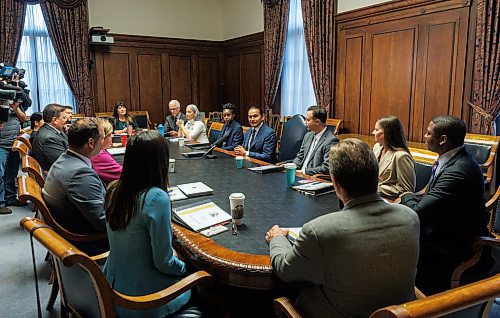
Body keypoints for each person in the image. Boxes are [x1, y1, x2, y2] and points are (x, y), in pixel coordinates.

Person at [266, 138, 420, 318]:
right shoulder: (410, 217)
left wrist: (277, 238)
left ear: (336, 183)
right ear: (376, 176)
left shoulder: (320, 231)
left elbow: (286, 270)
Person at [103, 131, 199, 318]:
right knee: (207, 282)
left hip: (112, 289)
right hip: (143, 302)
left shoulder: (114, 188)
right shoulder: (156, 198)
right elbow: (164, 263)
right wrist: (186, 267)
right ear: (160, 161)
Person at [399, 115, 490, 295]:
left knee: (396, 244)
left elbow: (418, 212)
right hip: (442, 228)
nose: (424, 136)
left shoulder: (459, 170)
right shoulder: (450, 159)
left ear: (442, 140)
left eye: (428, 133)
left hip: (452, 245)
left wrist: (406, 196)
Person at [42, 117, 108, 254]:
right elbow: (102, 222)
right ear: (91, 142)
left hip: (72, 227)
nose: (103, 142)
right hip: (89, 241)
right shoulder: (80, 174)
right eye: (102, 138)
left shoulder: (65, 160)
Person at [372, 115, 416, 200]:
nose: (373, 132)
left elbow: (406, 189)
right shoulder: (377, 147)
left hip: (390, 201)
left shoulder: (401, 156)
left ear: (388, 133)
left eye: (377, 130)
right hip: (374, 197)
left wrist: (373, 188)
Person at [291, 106, 338, 175]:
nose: (305, 122)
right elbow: (300, 156)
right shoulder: (308, 135)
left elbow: (327, 167)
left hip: (312, 177)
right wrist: (292, 167)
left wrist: (304, 172)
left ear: (317, 122)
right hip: (298, 174)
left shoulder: (331, 140)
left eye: (308, 120)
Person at [0, 99, 27, 214]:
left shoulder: (15, 107)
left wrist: (16, 108)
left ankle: (10, 198)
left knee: (12, 173)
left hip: (14, 145)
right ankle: (0, 203)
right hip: (1, 145)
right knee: (0, 175)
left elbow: (23, 119)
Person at [32, 104, 69, 171]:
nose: (66, 120)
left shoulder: (51, 130)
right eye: (64, 118)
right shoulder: (49, 138)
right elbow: (64, 163)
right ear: (55, 120)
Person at [91, 120, 122, 184]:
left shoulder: (94, 151)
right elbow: (125, 175)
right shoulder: (99, 155)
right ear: (102, 138)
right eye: (110, 134)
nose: (112, 136)